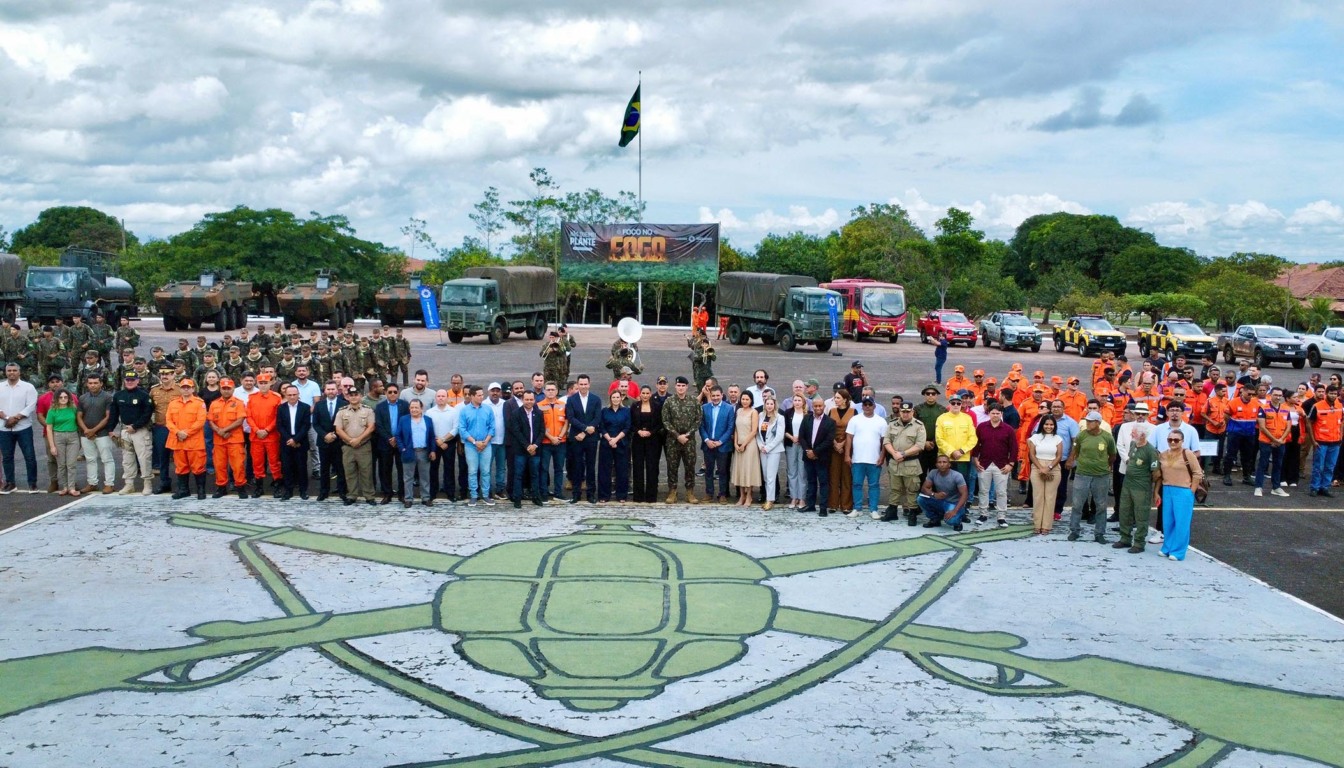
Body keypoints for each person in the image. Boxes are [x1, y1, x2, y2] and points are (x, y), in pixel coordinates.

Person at [1067, 412, 1117, 543]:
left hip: (1101, 475)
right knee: (1077, 504)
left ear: (1098, 423)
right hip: (1082, 473)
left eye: (1091, 421)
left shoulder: (1107, 437)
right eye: (1087, 421)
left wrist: (1105, 466)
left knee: (1101, 505)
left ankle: (1099, 533)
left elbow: (1112, 455)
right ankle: (1074, 530)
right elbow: (1076, 450)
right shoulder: (1081, 435)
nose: (1088, 423)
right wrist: (1072, 460)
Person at [1158, 430, 1204, 561]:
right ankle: (1167, 547)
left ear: (1182, 441)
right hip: (1167, 489)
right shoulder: (1163, 455)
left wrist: (1191, 491)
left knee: (1182, 522)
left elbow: (1197, 473)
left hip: (1183, 490)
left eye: (1176, 440)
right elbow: (1159, 475)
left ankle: (1178, 551)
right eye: (1170, 440)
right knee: (1168, 521)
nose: (1173, 442)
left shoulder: (1188, 454)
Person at [1114, 422, 1161, 553]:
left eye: (1134, 433)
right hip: (1127, 484)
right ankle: (1125, 538)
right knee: (1124, 512)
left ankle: (1139, 543)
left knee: (1141, 515)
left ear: (1142, 435)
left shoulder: (1151, 451)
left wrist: (1150, 486)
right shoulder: (1133, 444)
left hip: (1141, 488)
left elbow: (1156, 473)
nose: (1131, 434)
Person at [972, 404, 1017, 529]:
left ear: (1001, 414)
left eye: (998, 413)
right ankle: (983, 514)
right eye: (993, 413)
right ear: (989, 414)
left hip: (1002, 465)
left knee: (1001, 492)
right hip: (984, 464)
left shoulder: (1008, 429)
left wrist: (1011, 464)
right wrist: (975, 460)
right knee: (983, 490)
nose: (995, 415)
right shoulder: (981, 427)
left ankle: (1001, 516)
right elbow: (976, 445)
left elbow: (1014, 448)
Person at [111, 371, 154, 495]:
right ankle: (129, 484)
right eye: (127, 380)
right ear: (124, 381)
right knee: (127, 459)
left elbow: (147, 414)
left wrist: (135, 426)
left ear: (137, 381)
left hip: (140, 431)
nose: (130, 382)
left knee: (144, 458)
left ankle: (147, 483)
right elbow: (114, 413)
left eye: (132, 380)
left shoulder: (144, 395)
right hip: (125, 431)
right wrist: (111, 429)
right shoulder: (118, 395)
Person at [165, 378, 208, 500]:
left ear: (193, 389)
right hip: (178, 441)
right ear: (180, 389)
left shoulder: (199, 403)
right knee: (180, 467)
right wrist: (177, 432)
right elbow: (168, 421)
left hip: (194, 441)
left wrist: (187, 433)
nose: (186, 389)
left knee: (198, 466)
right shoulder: (173, 403)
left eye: (188, 387)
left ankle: (201, 490)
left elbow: (201, 421)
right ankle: (183, 490)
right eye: (183, 387)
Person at [334, 383, 377, 505]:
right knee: (350, 472)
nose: (353, 397)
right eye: (351, 395)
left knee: (366, 472)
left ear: (360, 396)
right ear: (347, 397)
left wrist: (358, 439)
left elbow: (371, 427)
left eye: (356, 395)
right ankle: (352, 495)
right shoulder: (341, 412)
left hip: (364, 446)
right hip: (348, 447)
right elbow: (338, 429)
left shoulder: (368, 410)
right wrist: (350, 440)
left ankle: (369, 496)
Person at [207, 378, 249, 499]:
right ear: (220, 389)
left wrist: (224, 430)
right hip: (219, 440)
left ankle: (240, 487)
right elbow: (210, 420)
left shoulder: (239, 403)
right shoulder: (214, 403)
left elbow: (240, 420)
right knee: (219, 465)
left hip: (235, 439)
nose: (226, 391)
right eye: (223, 388)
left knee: (238, 465)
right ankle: (221, 488)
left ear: (233, 389)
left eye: (228, 388)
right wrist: (219, 431)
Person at [845, 396, 886, 519]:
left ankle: (873, 509)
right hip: (858, 459)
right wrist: (847, 455)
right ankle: (857, 508)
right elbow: (849, 438)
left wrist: (882, 456)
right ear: (862, 406)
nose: (867, 407)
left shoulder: (881, 421)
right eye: (865, 404)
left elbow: (884, 441)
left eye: (870, 404)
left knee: (874, 485)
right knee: (857, 484)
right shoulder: (855, 420)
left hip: (874, 460)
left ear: (874, 406)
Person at [662, 376, 701, 504]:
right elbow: (665, 421)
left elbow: (698, 420)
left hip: (689, 441)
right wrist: (677, 436)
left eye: (683, 386)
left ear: (687, 387)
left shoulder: (693, 401)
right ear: (675, 386)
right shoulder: (669, 401)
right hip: (673, 440)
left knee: (690, 466)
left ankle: (690, 492)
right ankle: (672, 491)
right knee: (672, 466)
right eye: (678, 385)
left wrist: (687, 435)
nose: (681, 388)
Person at [75, 373, 116, 494]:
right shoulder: (82, 398)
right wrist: (86, 430)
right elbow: (79, 416)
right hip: (86, 435)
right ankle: (92, 483)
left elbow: (108, 417)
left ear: (101, 384)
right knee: (90, 459)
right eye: (90, 383)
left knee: (107, 459)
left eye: (96, 383)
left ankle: (109, 484)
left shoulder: (108, 397)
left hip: (103, 434)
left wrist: (93, 430)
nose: (93, 385)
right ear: (87, 384)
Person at [566, 374, 602, 505]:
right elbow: (571, 417)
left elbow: (597, 417)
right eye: (581, 384)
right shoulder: (571, 400)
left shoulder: (596, 399)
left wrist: (585, 432)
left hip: (591, 438)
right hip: (577, 437)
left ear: (589, 384)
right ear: (577, 385)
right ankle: (576, 494)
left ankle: (591, 494)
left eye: (585, 384)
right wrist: (585, 428)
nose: (583, 386)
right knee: (577, 466)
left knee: (591, 466)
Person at [246, 374, 283, 498]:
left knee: (274, 462)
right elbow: (248, 416)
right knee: (257, 463)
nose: (263, 385)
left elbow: (278, 417)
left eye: (265, 383)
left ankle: (277, 486)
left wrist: (267, 430)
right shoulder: (252, 398)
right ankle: (259, 487)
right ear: (257, 384)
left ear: (270, 383)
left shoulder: (276, 398)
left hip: (271, 436)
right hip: (256, 436)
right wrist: (257, 430)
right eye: (260, 383)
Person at [458, 385, 496, 506]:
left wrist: (485, 442)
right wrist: (474, 442)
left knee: (486, 471)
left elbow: (492, 427)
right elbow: (462, 429)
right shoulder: (464, 411)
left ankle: (485, 495)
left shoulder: (488, 409)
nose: (481, 397)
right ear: (472, 396)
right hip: (471, 446)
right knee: (472, 471)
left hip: (486, 445)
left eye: (482, 395)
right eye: (479, 395)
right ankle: (473, 495)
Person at [505, 390, 543, 508]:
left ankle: (536, 497)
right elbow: (516, 431)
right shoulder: (516, 413)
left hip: (535, 450)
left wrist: (535, 445)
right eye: (527, 399)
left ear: (534, 400)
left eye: (531, 399)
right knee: (518, 474)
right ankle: (517, 498)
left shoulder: (539, 413)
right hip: (521, 450)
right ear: (522, 400)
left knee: (535, 474)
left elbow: (542, 431)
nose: (529, 402)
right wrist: (527, 446)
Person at [396, 397, 436, 507]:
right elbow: (398, 435)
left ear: (421, 408)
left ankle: (426, 498)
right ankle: (408, 499)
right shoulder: (404, 419)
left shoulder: (428, 420)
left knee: (425, 477)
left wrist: (433, 450)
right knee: (408, 477)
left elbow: (432, 436)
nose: (414, 410)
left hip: (424, 451)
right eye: (412, 407)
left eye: (416, 407)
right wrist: (402, 448)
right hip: (408, 451)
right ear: (409, 408)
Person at [1027, 416, 1063, 535]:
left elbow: (1059, 456)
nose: (1049, 427)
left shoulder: (1058, 438)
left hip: (1053, 468)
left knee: (1050, 497)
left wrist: (1049, 467)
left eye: (1051, 425)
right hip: (1037, 467)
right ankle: (1037, 525)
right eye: (1046, 424)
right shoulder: (1035, 438)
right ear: (1042, 425)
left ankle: (1046, 526)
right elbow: (1032, 455)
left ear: (1054, 426)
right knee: (1038, 497)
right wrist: (1041, 468)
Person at [312, 381, 347, 501]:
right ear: (324, 391)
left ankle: (342, 492)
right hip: (324, 442)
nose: (331, 391)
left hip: (339, 441)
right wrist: (325, 435)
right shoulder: (319, 405)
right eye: (328, 389)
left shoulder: (344, 404)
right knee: (324, 469)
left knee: (340, 468)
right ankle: (323, 492)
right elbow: (315, 423)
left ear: (337, 390)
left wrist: (335, 435)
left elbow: (345, 423)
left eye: (333, 389)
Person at [800, 396, 835, 516]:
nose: (818, 408)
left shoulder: (830, 422)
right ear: (812, 406)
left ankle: (823, 507)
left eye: (820, 406)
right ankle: (810, 505)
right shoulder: (806, 419)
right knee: (811, 481)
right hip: (808, 457)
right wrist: (808, 451)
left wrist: (815, 452)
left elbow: (829, 441)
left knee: (823, 483)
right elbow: (802, 437)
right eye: (815, 406)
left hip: (822, 457)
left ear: (824, 406)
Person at [1254, 387, 1292, 498]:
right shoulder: (1263, 408)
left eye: (1280, 395)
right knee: (1263, 463)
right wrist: (1274, 440)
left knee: (1278, 464)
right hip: (1266, 441)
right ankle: (1258, 487)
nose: (1278, 397)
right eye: (1276, 395)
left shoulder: (1286, 409)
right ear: (1270, 395)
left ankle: (1276, 487)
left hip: (1281, 442)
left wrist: (1281, 440)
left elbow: (1288, 427)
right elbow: (1262, 427)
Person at [277, 384, 312, 500]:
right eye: (289, 395)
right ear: (285, 395)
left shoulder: (305, 407)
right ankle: (288, 491)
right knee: (287, 468)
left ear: (298, 395)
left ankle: (303, 491)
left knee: (302, 467)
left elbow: (306, 425)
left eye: (294, 394)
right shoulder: (281, 408)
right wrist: (290, 440)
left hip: (300, 442)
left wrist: (296, 439)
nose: (292, 397)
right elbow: (280, 426)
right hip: (286, 442)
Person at [918, 454, 969, 531]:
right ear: (936, 464)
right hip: (940, 501)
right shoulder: (933, 473)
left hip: (954, 503)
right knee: (920, 499)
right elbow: (924, 488)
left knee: (951, 521)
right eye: (939, 462)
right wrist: (934, 494)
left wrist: (954, 511)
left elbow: (964, 494)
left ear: (949, 464)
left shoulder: (957, 476)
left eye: (944, 462)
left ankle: (959, 519)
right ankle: (935, 519)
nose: (942, 464)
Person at [700, 386, 733, 503]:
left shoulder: (729, 408)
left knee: (722, 471)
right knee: (708, 470)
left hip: (722, 445)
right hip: (708, 444)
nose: (715, 398)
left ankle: (722, 494)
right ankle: (709, 493)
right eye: (713, 396)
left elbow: (730, 427)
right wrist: (707, 440)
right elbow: (701, 426)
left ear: (722, 395)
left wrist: (720, 441)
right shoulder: (704, 408)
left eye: (717, 395)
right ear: (710, 396)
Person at [597, 389, 631, 503]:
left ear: (621, 398)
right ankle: (604, 495)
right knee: (604, 469)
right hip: (606, 442)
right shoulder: (604, 411)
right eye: (613, 397)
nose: (615, 399)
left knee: (622, 469)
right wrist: (609, 439)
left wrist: (616, 439)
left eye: (617, 397)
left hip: (621, 442)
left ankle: (621, 495)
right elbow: (601, 426)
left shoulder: (626, 411)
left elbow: (627, 427)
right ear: (610, 399)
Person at [1307, 385, 1342, 497]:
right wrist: (1313, 440)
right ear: (1326, 394)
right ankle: (1314, 487)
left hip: (1335, 442)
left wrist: (1341, 436)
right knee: (1318, 467)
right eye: (1331, 393)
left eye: (1335, 394)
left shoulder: (1340, 406)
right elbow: (1309, 422)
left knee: (1330, 467)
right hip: (1321, 442)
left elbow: (1342, 422)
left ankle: (1324, 487)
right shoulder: (1317, 406)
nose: (1333, 396)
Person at [45, 389, 81, 495]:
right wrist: (52, 446)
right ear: (56, 398)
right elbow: (49, 428)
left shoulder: (73, 409)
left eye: (65, 397)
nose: (63, 399)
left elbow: (79, 422)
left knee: (71, 464)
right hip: (58, 437)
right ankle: (65, 487)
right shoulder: (52, 411)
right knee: (61, 464)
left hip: (73, 437)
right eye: (61, 397)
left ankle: (72, 487)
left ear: (69, 398)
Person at [630, 385, 663, 503]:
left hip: (653, 440)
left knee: (652, 467)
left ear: (650, 394)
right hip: (638, 440)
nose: (645, 395)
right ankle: (638, 496)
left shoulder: (657, 406)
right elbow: (631, 422)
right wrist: (638, 431)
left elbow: (660, 423)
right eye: (643, 393)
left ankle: (651, 496)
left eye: (647, 393)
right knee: (638, 467)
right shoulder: (634, 406)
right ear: (640, 394)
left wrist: (651, 432)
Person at [426, 389, 459, 503]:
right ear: (435, 398)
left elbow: (455, 429)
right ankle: (432, 492)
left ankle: (450, 493)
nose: (440, 398)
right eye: (438, 396)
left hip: (448, 443)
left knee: (449, 468)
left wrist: (443, 440)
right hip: (434, 443)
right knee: (433, 468)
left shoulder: (453, 411)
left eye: (443, 396)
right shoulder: (429, 412)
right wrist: (438, 441)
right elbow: (428, 429)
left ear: (447, 398)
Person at [825, 389, 855, 515]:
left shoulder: (853, 412)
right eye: (835, 398)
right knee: (833, 475)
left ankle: (846, 505)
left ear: (845, 399)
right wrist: (835, 443)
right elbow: (827, 428)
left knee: (847, 476)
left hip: (848, 447)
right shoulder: (832, 411)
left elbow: (854, 430)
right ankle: (833, 504)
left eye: (838, 398)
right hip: (834, 447)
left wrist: (843, 443)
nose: (835, 400)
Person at [536, 382, 566, 504]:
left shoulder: (563, 405)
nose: (550, 392)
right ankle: (543, 493)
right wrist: (551, 437)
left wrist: (559, 437)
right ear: (544, 391)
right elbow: (540, 425)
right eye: (548, 389)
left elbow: (566, 422)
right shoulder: (539, 406)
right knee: (544, 468)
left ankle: (558, 493)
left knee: (559, 468)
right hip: (545, 442)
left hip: (560, 442)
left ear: (557, 391)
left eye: (553, 389)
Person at [757, 395, 786, 510]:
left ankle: (770, 500)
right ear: (764, 404)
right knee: (765, 475)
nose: (769, 406)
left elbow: (779, 436)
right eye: (767, 404)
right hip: (762, 449)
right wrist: (760, 445)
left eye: (771, 404)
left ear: (775, 405)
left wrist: (768, 447)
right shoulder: (760, 416)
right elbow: (757, 433)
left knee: (771, 476)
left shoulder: (779, 418)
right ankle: (768, 498)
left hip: (774, 450)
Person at [783, 394, 809, 510]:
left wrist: (801, 439)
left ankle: (802, 498)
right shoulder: (788, 413)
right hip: (791, 443)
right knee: (792, 471)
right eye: (795, 400)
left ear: (803, 402)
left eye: (799, 400)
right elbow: (783, 429)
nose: (797, 402)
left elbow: (809, 430)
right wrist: (792, 437)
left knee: (802, 472)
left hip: (803, 445)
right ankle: (793, 497)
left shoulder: (808, 414)